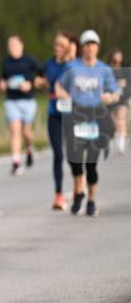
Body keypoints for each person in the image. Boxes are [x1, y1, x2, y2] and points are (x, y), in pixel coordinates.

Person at [55, 30, 120, 217]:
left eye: (93, 44)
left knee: (91, 164)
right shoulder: (72, 67)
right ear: (82, 47)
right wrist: (64, 94)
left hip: (96, 116)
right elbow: (60, 86)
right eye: (87, 44)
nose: (90, 48)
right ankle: (78, 192)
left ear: (98, 47)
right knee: (75, 160)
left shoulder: (104, 70)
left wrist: (109, 96)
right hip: (76, 114)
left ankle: (91, 200)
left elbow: (114, 92)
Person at [38, 30, 77, 209]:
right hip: (54, 113)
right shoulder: (50, 64)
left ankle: (79, 187)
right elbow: (43, 78)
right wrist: (39, 82)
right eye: (56, 44)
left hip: (73, 114)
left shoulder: (75, 64)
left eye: (62, 45)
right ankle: (59, 195)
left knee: (73, 155)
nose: (58, 48)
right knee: (58, 155)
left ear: (70, 46)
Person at [0, 35, 40, 176]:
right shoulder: (6, 63)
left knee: (26, 132)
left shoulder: (30, 61)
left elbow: (41, 77)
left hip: (28, 101)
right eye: (9, 45)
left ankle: (29, 148)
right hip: (12, 100)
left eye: (14, 44)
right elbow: (3, 79)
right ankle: (16, 163)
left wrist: (30, 84)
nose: (12, 47)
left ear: (21, 45)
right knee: (15, 131)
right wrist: (2, 84)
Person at [105, 49, 128, 155]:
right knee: (113, 123)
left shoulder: (126, 72)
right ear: (111, 61)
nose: (117, 64)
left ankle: (121, 146)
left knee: (121, 120)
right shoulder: (107, 73)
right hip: (111, 101)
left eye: (120, 62)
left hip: (122, 100)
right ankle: (115, 135)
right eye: (115, 62)